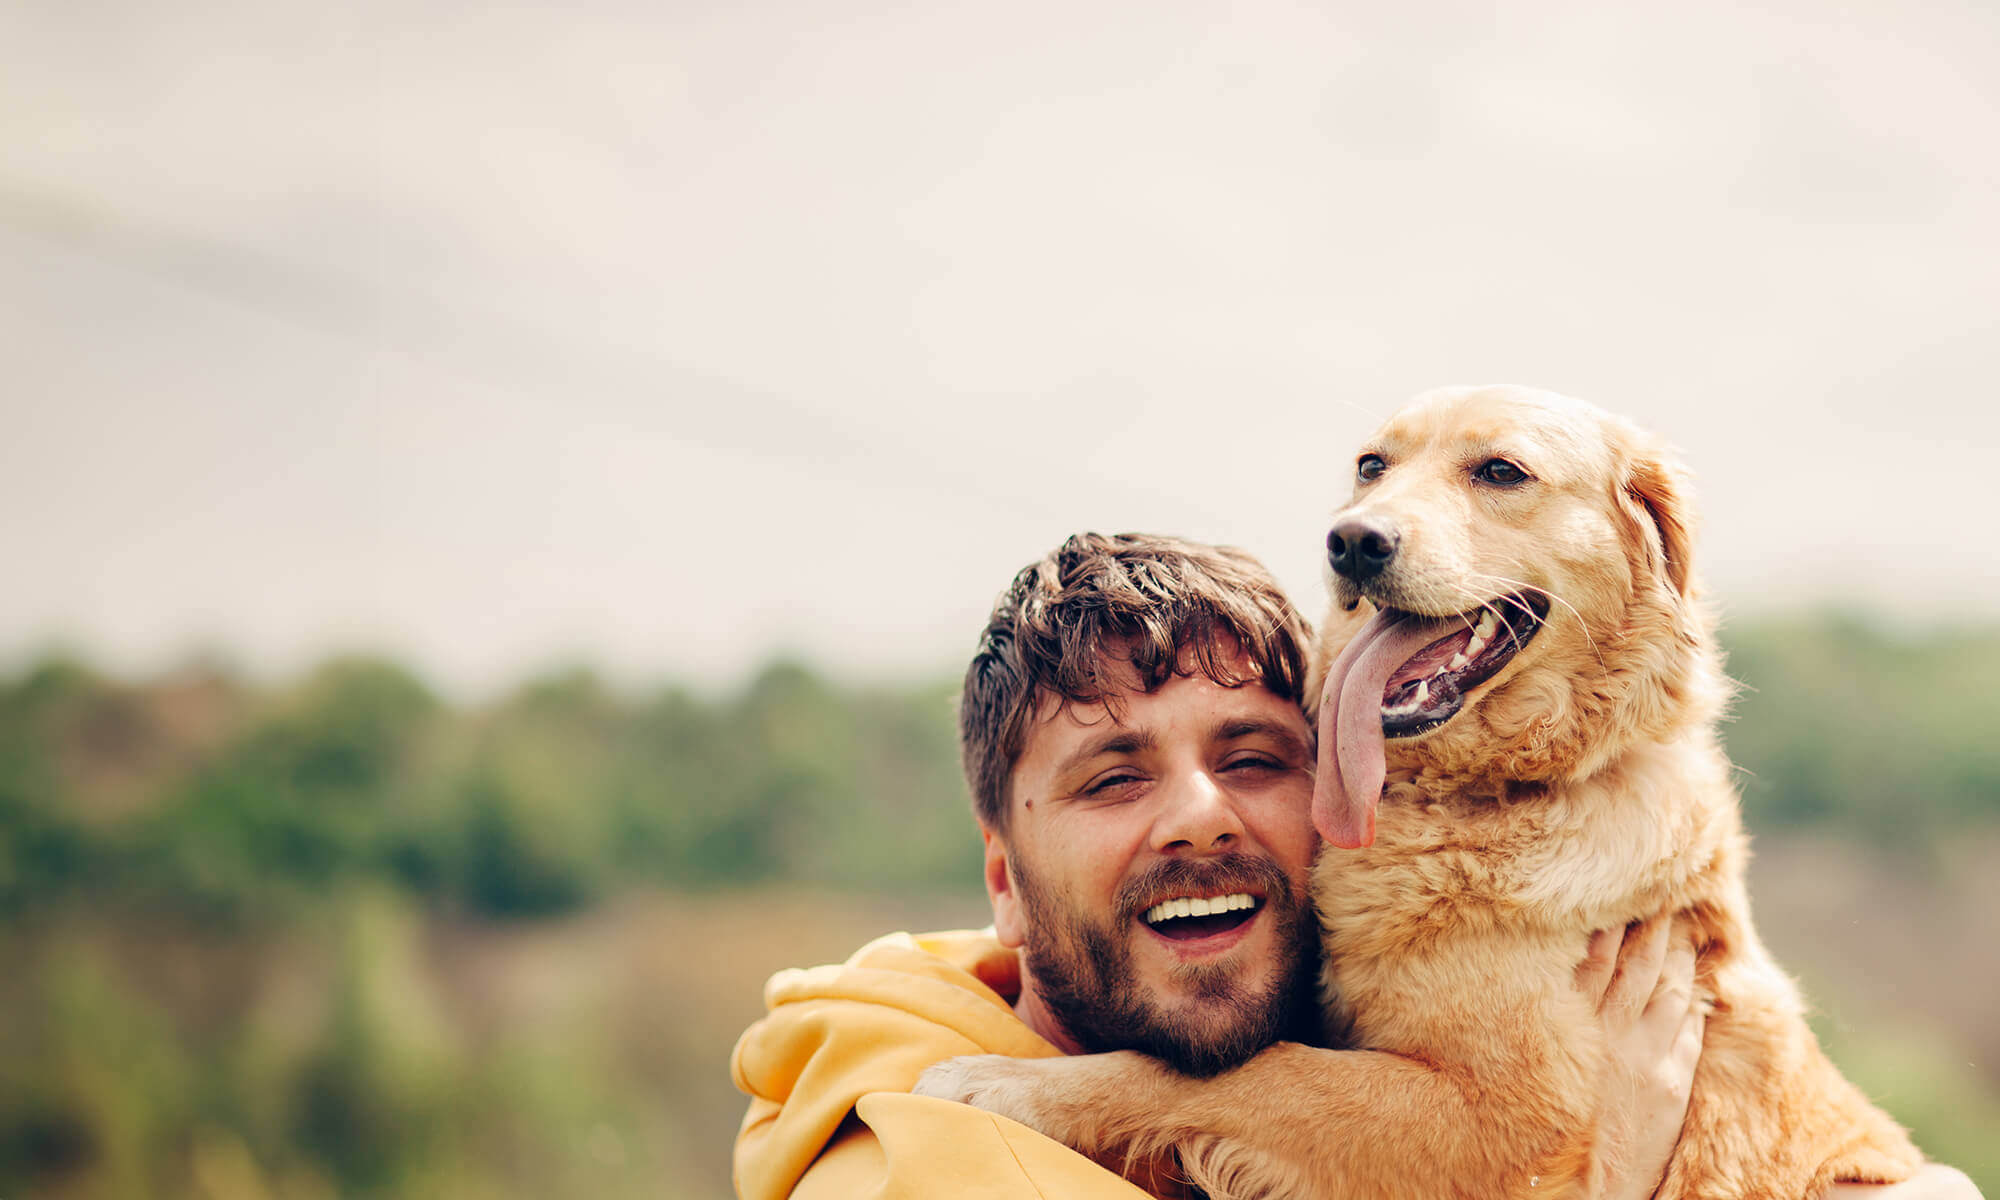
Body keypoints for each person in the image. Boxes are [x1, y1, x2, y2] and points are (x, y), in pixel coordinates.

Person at [730, 532, 1978, 1200]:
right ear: (1001, 875)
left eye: (1254, 756)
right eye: (1114, 778)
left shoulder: (1363, 1019)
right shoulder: (915, 1158)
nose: (1198, 818)